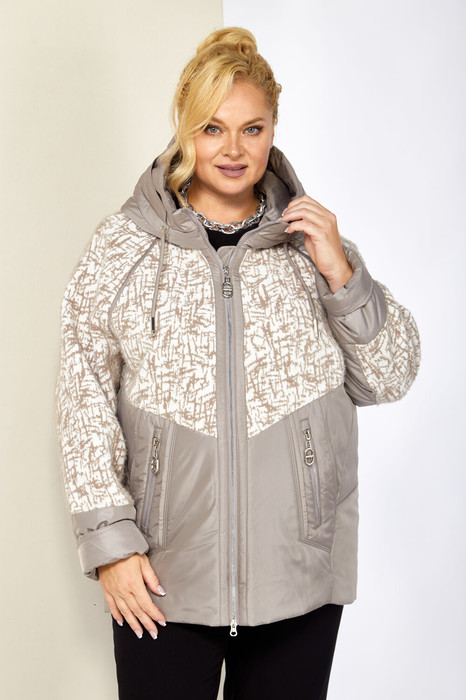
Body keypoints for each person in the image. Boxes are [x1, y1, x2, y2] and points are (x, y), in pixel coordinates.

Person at [56, 26, 421, 700]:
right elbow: (83, 398)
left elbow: (391, 376)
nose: (232, 149)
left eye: (251, 129)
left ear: (273, 127)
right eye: (212, 128)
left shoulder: (314, 249)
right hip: (161, 582)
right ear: (185, 127)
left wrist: (343, 275)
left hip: (298, 577)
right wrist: (111, 547)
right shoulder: (122, 247)